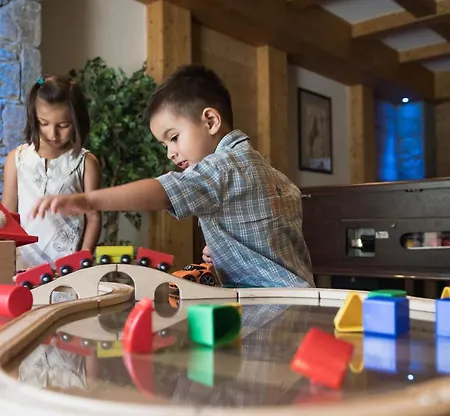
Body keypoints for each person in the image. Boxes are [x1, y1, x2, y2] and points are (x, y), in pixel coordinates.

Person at [29, 64, 314, 289]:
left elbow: (164, 190)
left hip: (269, 303)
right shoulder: (269, 173)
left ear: (210, 121)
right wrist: (225, 248)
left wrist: (89, 200)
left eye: (174, 137)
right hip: (302, 294)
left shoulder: (222, 167)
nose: (170, 153)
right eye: (165, 145)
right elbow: (266, 237)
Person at [1, 74, 102, 274]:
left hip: (68, 269)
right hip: (22, 266)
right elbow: (7, 217)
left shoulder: (86, 163)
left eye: (63, 125)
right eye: (44, 123)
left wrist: (82, 260)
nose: (52, 134)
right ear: (33, 118)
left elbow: (93, 217)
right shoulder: (17, 159)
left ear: (77, 120)